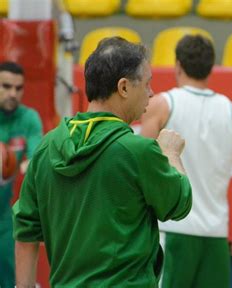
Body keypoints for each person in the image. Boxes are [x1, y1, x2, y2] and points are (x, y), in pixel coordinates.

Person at [12, 37, 193, 287]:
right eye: (147, 84)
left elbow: (25, 230)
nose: (151, 93)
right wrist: (171, 154)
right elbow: (179, 204)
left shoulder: (46, 146)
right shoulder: (138, 150)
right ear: (124, 87)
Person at [141, 34, 232, 288]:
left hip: (172, 230)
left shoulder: (160, 105)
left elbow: (140, 166)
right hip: (215, 235)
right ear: (212, 67)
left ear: (177, 64)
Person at [0, 61, 43, 288]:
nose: (12, 93)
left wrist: (30, 164)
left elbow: (37, 159)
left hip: (4, 216)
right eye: (6, 86)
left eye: (18, 88)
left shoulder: (28, 118)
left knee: (11, 279)